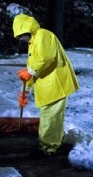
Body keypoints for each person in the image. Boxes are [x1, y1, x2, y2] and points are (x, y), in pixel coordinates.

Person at [12, 13, 79, 157]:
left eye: (20, 35)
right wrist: (26, 89)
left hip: (55, 83)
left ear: (26, 29)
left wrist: (29, 73)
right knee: (52, 115)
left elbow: (45, 58)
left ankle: (47, 148)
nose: (20, 39)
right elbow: (33, 66)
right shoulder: (34, 41)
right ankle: (56, 141)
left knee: (50, 116)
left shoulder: (43, 35)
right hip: (49, 84)